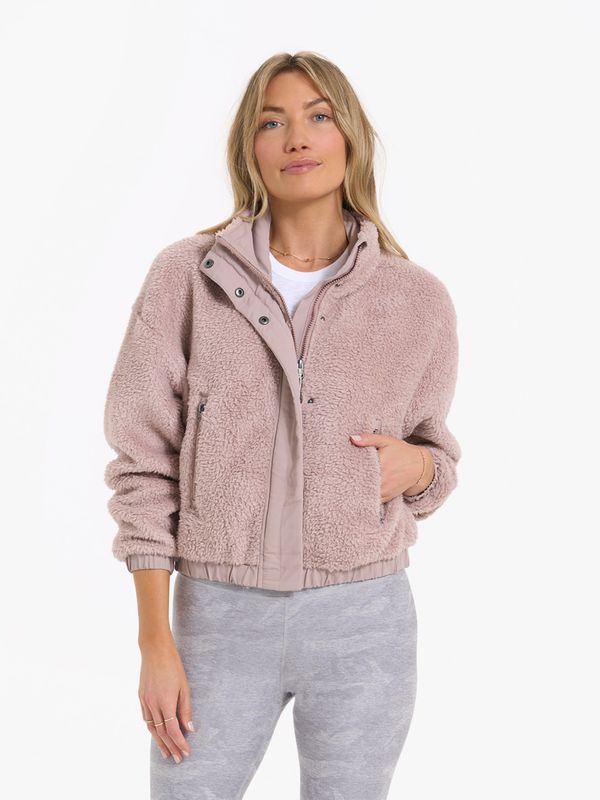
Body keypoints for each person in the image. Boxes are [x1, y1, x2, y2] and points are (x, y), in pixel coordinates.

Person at [103, 50, 461, 800]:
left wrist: (422, 467)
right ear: (250, 148)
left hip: (365, 622)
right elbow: (142, 462)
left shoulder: (417, 299)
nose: (297, 137)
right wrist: (154, 641)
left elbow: (435, 454)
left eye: (318, 116)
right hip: (217, 618)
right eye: (273, 122)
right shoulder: (187, 277)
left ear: (349, 136)